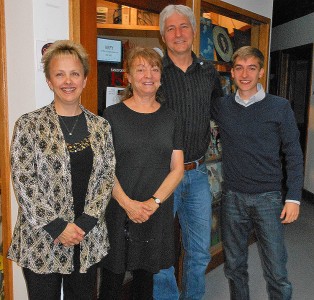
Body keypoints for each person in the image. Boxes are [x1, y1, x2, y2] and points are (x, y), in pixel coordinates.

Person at [7, 40, 116, 300]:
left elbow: (106, 176)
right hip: (42, 238)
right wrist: (57, 227)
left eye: (75, 73)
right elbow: (23, 181)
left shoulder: (101, 126)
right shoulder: (29, 125)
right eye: (59, 74)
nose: (68, 81)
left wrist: (85, 224)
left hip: (85, 237)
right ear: (49, 81)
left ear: (85, 79)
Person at [211, 46, 304, 299]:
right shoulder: (222, 106)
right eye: (239, 67)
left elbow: (293, 153)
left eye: (251, 68)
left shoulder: (279, 107)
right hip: (232, 198)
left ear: (261, 72)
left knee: (277, 272)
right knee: (234, 268)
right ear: (232, 72)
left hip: (269, 198)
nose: (245, 74)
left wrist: (293, 197)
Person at [99, 47, 184, 299]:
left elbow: (177, 168)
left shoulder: (171, 117)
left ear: (160, 76)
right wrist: (128, 205)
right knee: (112, 282)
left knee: (145, 281)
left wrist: (153, 203)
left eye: (154, 68)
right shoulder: (111, 116)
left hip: (153, 211)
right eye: (141, 69)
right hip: (119, 209)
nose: (149, 74)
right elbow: (105, 168)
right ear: (129, 77)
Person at [153, 4, 223, 300]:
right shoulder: (154, 73)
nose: (178, 33)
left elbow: (223, 111)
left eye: (184, 27)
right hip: (161, 176)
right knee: (159, 255)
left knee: (199, 253)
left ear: (194, 32)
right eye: (171, 28)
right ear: (163, 36)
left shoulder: (209, 72)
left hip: (196, 176)